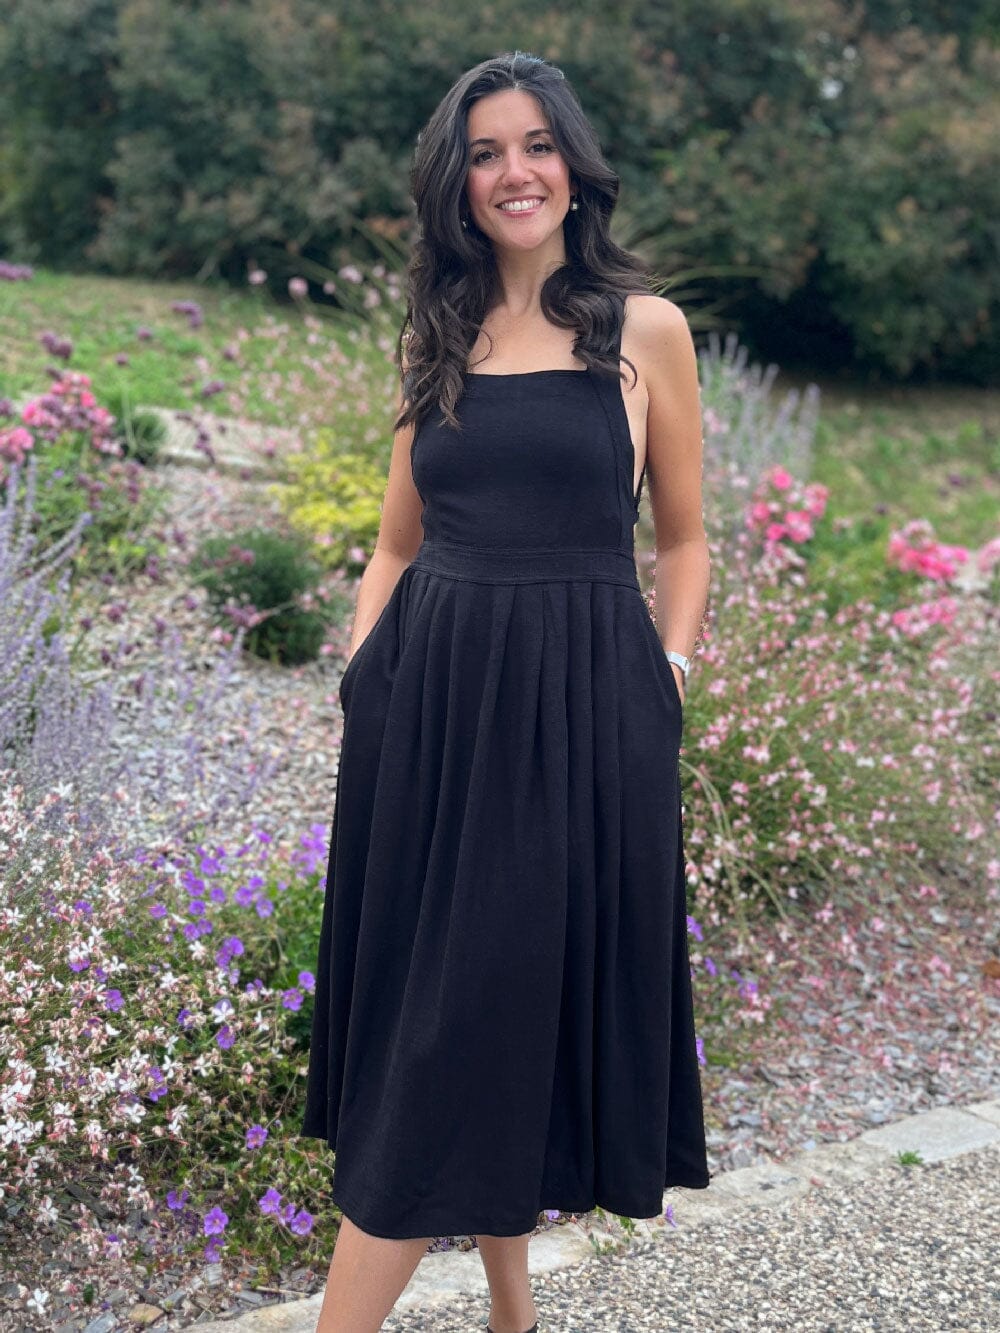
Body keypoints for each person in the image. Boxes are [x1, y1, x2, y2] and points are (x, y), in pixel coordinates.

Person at [300, 49, 712, 1333]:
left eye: (533, 144)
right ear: (457, 182)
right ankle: (513, 1311)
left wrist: (668, 679)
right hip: (427, 713)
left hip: (580, 714)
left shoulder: (643, 331)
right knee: (443, 1002)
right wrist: (367, 676)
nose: (511, 171)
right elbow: (395, 544)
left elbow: (686, 540)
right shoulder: (439, 329)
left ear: (571, 165)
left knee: (465, 1015)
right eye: (483, 152)